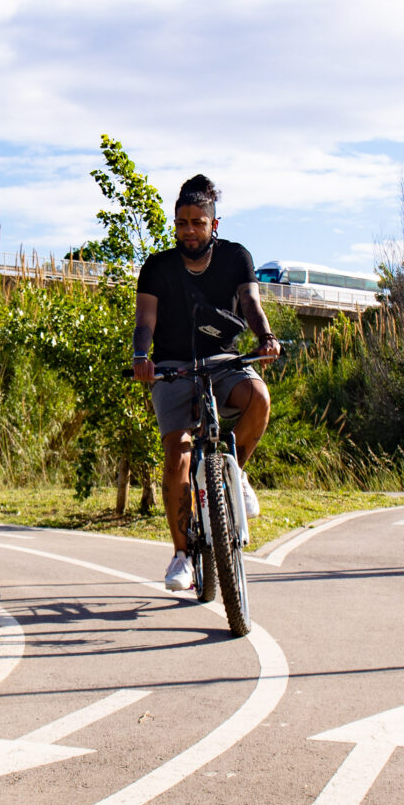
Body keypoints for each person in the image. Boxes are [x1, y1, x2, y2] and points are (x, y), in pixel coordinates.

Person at [130, 174, 279, 593]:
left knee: (258, 397)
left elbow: (250, 302)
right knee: (176, 455)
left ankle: (235, 474)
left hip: (224, 359)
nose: (189, 230)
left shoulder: (236, 257)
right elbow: (146, 320)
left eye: (198, 222)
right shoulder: (157, 267)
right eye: (182, 223)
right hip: (173, 366)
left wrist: (265, 337)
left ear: (215, 224)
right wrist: (143, 357)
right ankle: (180, 555)